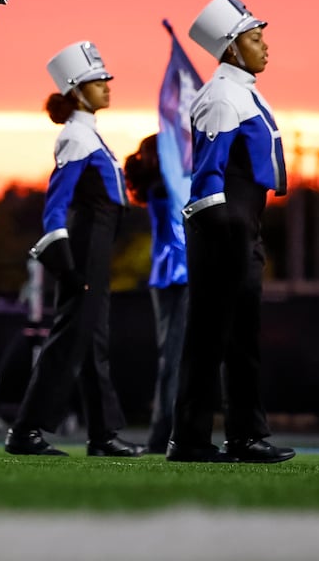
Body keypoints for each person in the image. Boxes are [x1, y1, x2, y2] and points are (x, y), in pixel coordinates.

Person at [168, 0, 293, 464]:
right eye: (256, 39)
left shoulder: (240, 89)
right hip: (224, 223)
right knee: (210, 337)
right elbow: (208, 174)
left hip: (243, 220)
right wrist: (225, 229)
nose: (266, 48)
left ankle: (244, 436)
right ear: (231, 47)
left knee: (241, 337)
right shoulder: (222, 94)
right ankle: (192, 439)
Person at [4, 43, 139, 458]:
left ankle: (102, 434)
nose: (107, 87)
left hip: (96, 243)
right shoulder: (77, 137)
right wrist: (65, 261)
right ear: (78, 90)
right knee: (68, 339)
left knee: (92, 340)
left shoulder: (87, 133)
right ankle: (25, 431)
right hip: (83, 246)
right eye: (98, 82)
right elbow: (56, 204)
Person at [123, 135, 188, 455]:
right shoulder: (163, 189)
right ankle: (162, 435)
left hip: (168, 278)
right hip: (178, 277)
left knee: (173, 357)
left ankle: (166, 432)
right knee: (174, 358)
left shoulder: (162, 187)